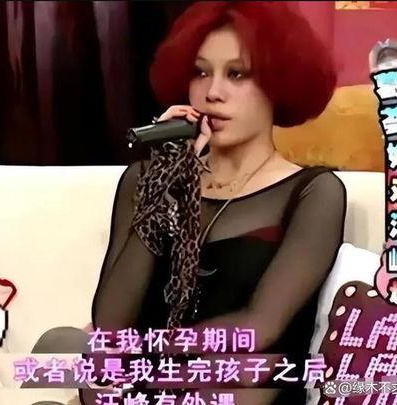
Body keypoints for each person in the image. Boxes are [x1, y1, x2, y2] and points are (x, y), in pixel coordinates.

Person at [91, 2, 346, 404]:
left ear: (278, 83)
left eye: (237, 74)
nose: (212, 93)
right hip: (146, 384)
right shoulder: (147, 179)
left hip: (234, 386)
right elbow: (110, 324)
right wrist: (167, 182)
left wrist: (152, 361)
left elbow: (259, 328)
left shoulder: (314, 191)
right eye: (200, 72)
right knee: (65, 346)